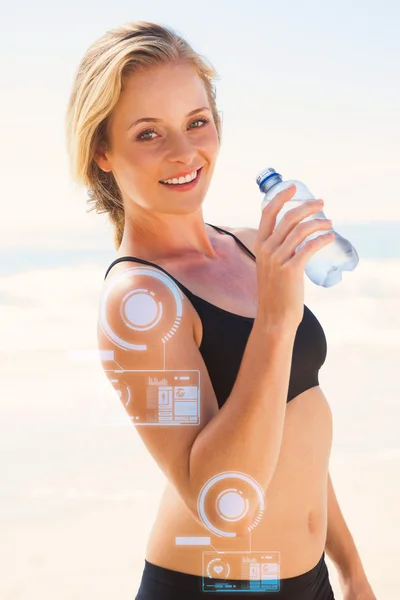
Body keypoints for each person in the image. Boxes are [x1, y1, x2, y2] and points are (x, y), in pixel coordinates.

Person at [65, 20, 337, 599]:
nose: (184, 152)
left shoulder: (247, 246)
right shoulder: (138, 302)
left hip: (312, 581)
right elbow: (223, 499)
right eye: (148, 134)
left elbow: (298, 428)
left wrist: (354, 572)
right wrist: (276, 319)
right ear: (102, 153)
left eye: (197, 122)